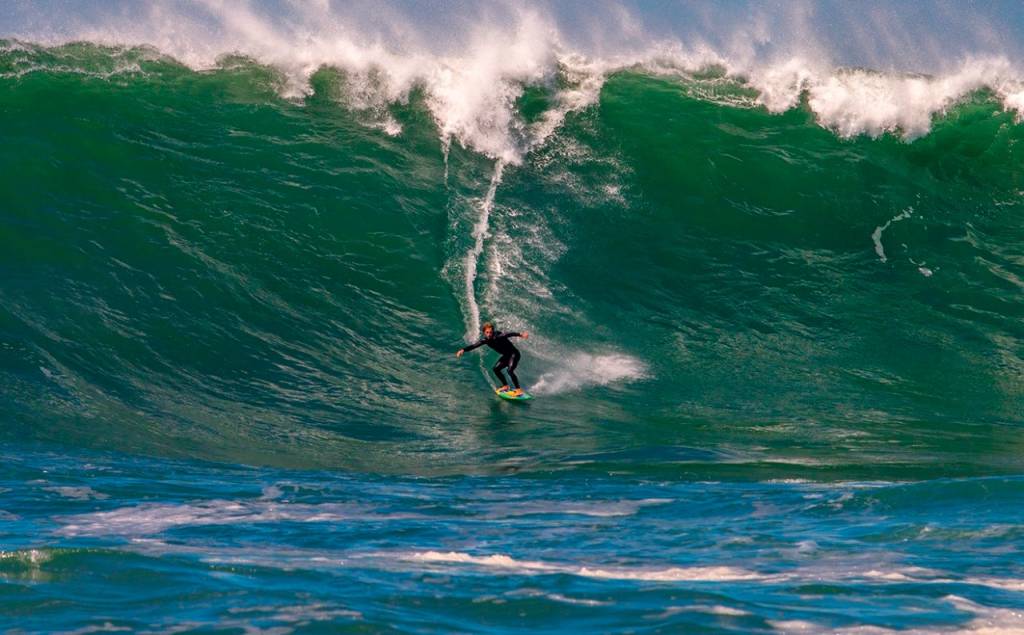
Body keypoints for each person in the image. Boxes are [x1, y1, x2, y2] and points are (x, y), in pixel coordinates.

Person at [456, 322, 530, 394]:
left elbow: (509, 334)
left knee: (509, 371)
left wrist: (521, 334)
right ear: (484, 332)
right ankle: (505, 386)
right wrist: (463, 350)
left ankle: (518, 389)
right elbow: (474, 346)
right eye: (487, 332)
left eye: (490, 332)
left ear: (493, 331)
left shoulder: (498, 336)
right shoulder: (485, 340)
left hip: (514, 354)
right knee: (496, 369)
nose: (489, 334)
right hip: (506, 356)